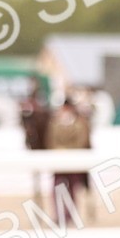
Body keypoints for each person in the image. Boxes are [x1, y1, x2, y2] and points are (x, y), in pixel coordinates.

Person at [47, 97, 92, 228]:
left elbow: (82, 141)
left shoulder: (79, 124)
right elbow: (51, 141)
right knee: (56, 188)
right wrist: (59, 151)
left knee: (72, 189)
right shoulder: (55, 124)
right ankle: (59, 215)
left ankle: (70, 214)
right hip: (58, 162)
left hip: (74, 162)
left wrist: (69, 151)